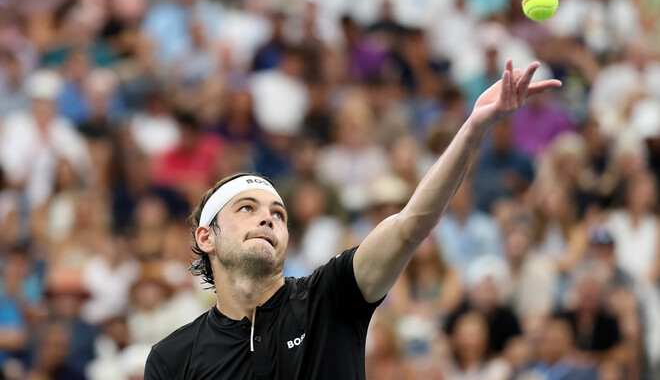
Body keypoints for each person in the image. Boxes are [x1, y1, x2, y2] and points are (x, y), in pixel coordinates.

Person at [143, 59, 561, 379]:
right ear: (206, 237)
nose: (268, 219)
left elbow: (411, 223)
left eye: (278, 214)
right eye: (247, 208)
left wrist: (473, 128)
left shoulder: (331, 296)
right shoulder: (172, 357)